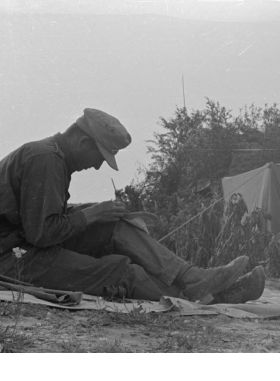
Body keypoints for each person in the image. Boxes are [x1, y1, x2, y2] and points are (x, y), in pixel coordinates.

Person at [0, 108, 265, 304]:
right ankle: (211, 299)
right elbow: (41, 233)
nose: (97, 165)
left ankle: (193, 278)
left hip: (26, 245)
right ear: (83, 142)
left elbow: (36, 219)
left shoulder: (51, 157)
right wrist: (91, 214)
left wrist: (98, 212)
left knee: (115, 226)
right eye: (99, 156)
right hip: (13, 257)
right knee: (121, 271)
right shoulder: (46, 159)